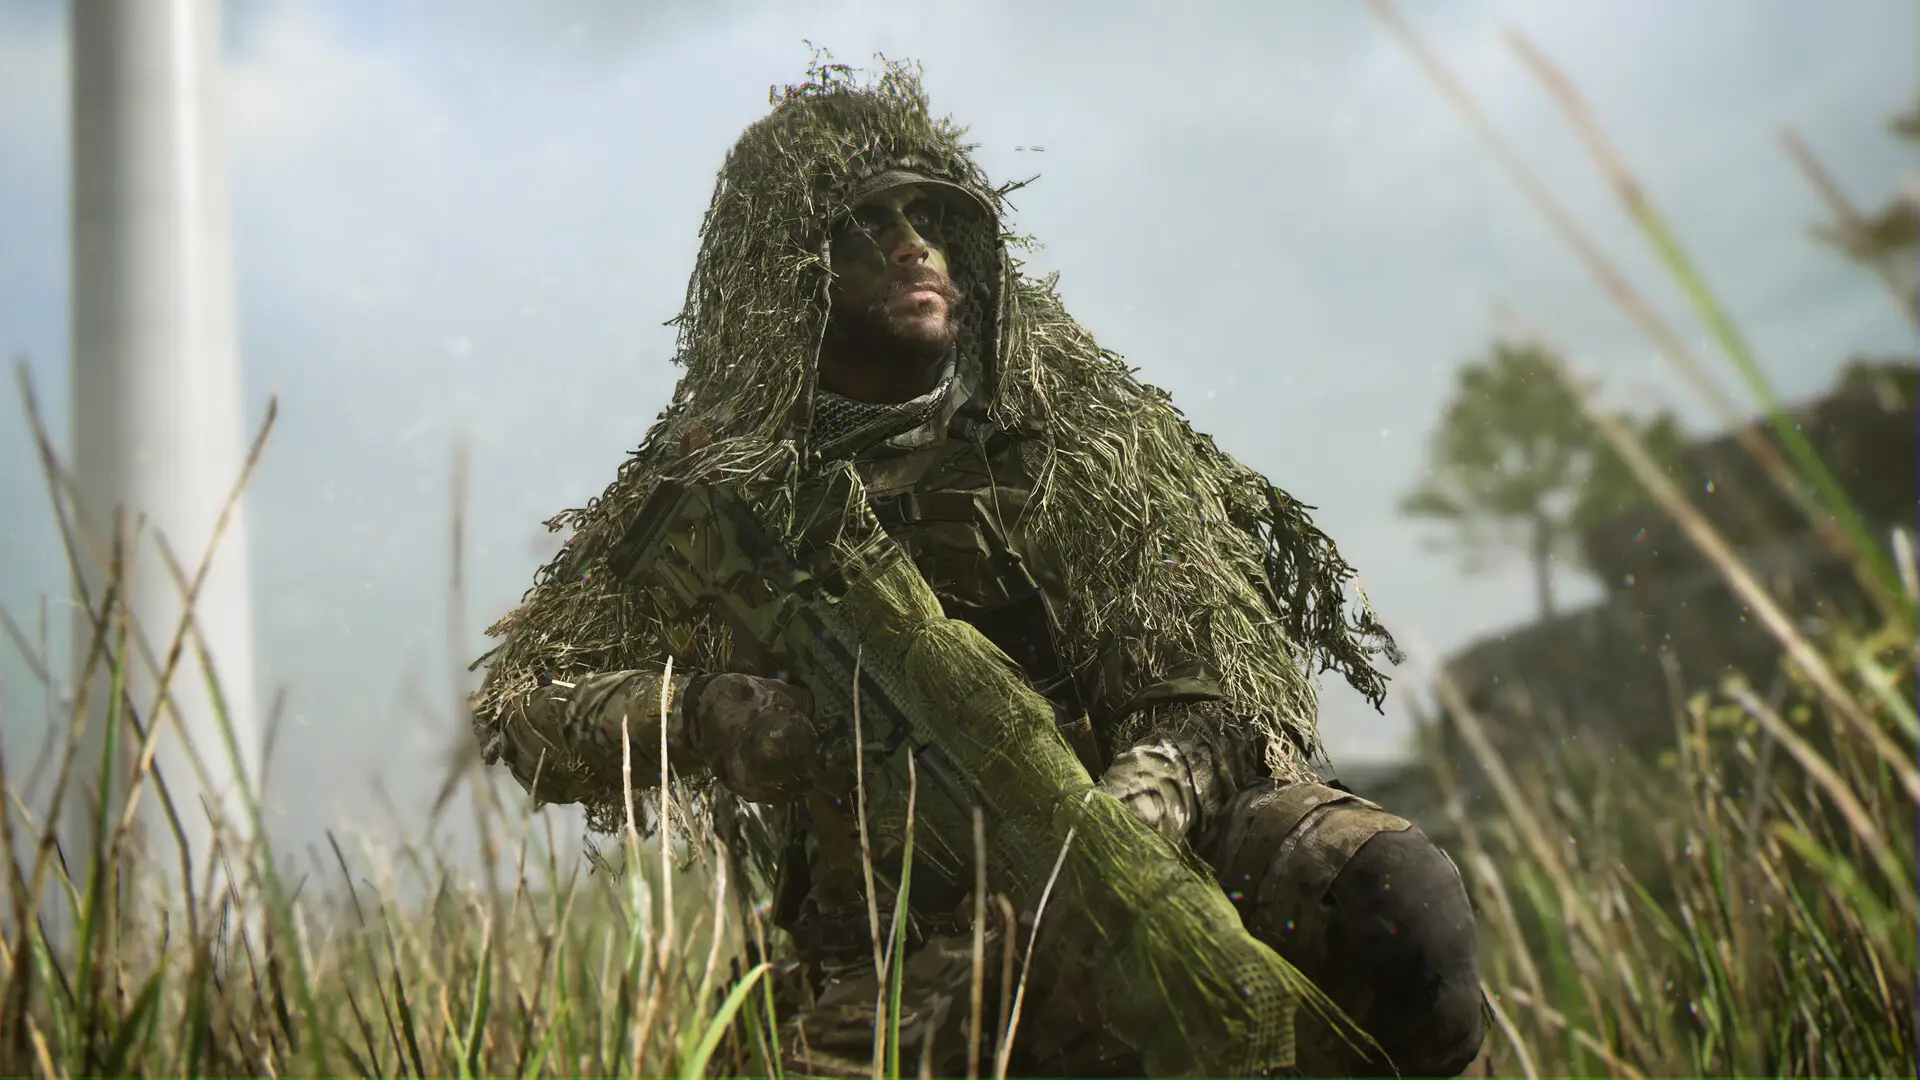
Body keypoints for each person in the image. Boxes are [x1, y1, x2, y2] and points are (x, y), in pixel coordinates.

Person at [470, 59, 1485, 1077]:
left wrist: (1111, 834)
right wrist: (701, 715)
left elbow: (1208, 693)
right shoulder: (714, 485)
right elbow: (524, 709)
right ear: (790, 271)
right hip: (900, 908)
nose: (917, 246)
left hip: (1153, 837)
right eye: (869, 225)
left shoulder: (1077, 428)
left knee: (1394, 902)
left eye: (934, 218)